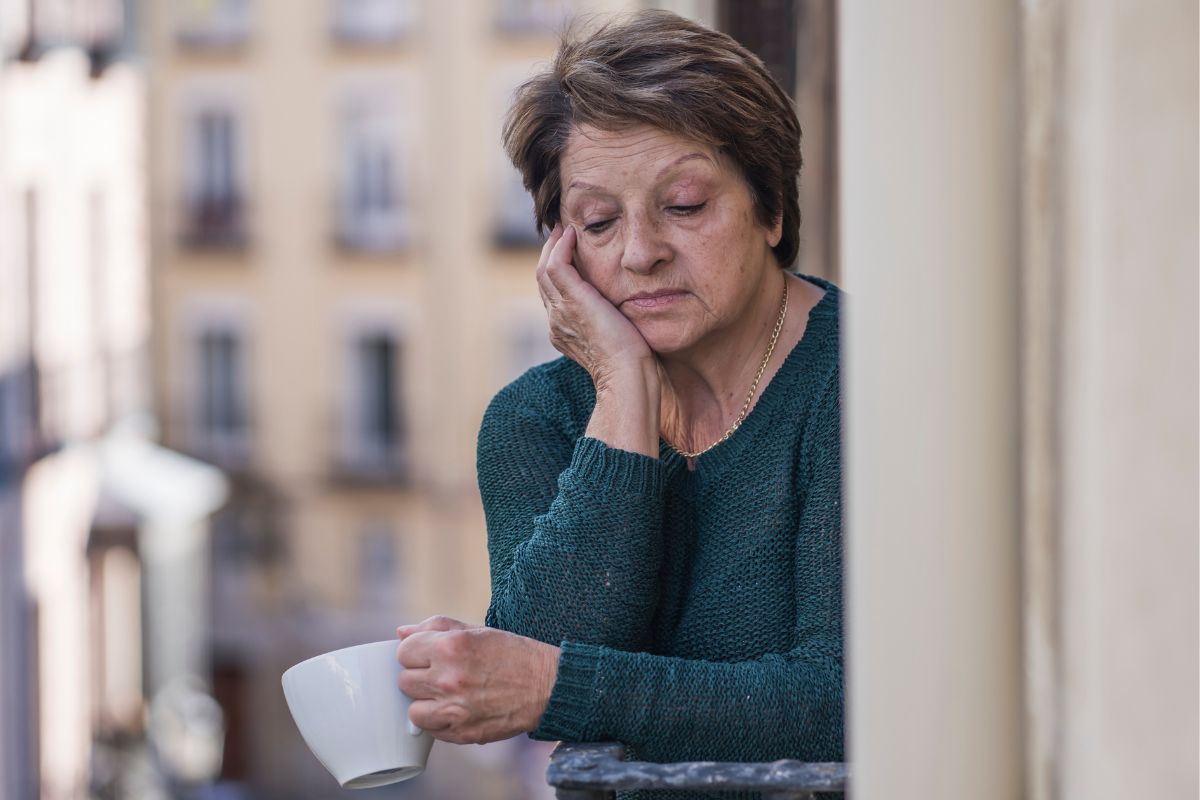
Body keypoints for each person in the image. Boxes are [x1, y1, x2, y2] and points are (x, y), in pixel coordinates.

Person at [395, 9, 843, 790]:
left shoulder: (857, 378)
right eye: (598, 222)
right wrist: (623, 386)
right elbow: (548, 641)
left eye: (686, 205)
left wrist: (553, 683)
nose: (640, 252)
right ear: (559, 248)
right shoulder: (537, 420)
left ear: (770, 208)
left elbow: (837, 700)